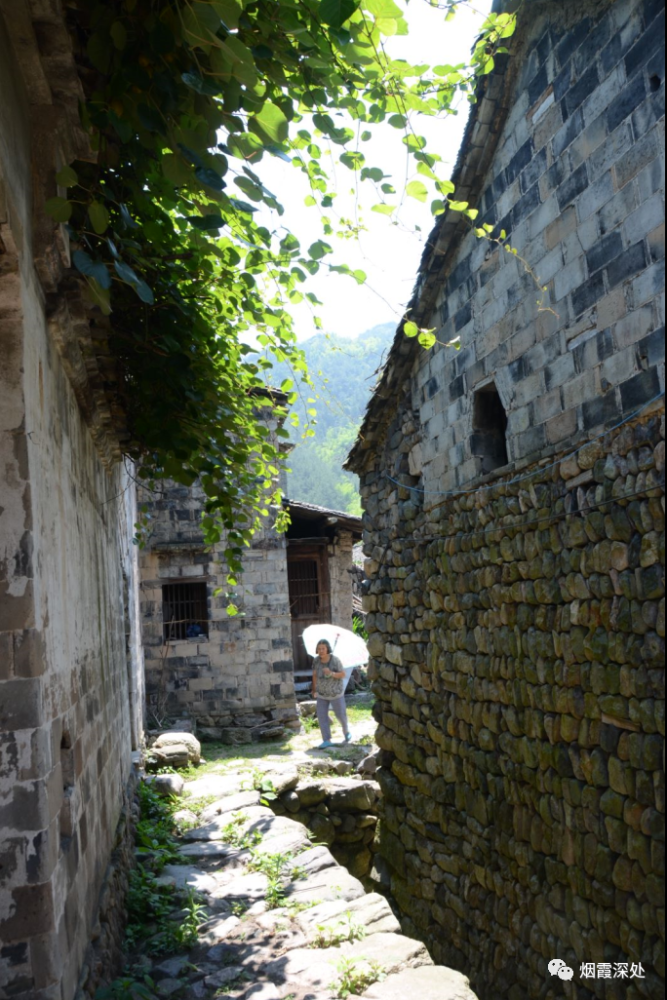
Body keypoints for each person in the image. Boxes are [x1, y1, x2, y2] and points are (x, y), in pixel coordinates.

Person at [312, 639, 352, 749]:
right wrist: (314, 688)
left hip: (335, 693)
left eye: (323, 648)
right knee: (321, 716)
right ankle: (326, 739)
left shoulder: (335, 661)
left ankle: (346, 731)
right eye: (319, 649)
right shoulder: (316, 661)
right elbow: (314, 674)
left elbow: (343, 674)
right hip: (321, 693)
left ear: (327, 649)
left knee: (340, 715)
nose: (321, 651)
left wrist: (331, 673)